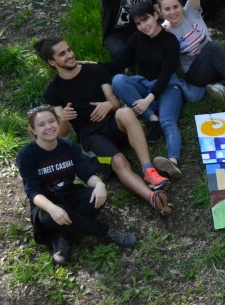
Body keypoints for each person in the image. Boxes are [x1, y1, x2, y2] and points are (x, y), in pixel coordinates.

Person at [34, 37, 173, 215]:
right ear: (52, 62)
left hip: (113, 123)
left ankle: (149, 171)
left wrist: (108, 105)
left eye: (69, 49)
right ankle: (153, 197)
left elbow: (115, 102)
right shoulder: (53, 91)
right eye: (62, 54)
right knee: (118, 161)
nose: (70, 55)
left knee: (125, 112)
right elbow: (63, 132)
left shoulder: (95, 70)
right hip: (91, 137)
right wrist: (64, 119)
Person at [17, 105, 136, 264]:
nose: (48, 127)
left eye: (52, 121)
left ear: (58, 122)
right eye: (41, 124)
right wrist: (52, 208)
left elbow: (86, 173)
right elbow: (33, 193)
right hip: (45, 205)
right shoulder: (26, 155)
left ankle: (63, 237)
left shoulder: (68, 146)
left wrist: (99, 185)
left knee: (96, 196)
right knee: (56, 213)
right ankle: (106, 232)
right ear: (33, 130)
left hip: (69, 193)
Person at [107, 2, 200, 175]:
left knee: (168, 122)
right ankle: (152, 118)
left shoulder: (170, 41)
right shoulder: (136, 37)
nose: (143, 26)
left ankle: (173, 161)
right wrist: (91, 66)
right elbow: (119, 64)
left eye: (146, 19)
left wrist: (147, 100)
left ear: (156, 16)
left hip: (168, 86)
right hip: (144, 84)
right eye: (138, 23)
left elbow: (165, 75)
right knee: (118, 80)